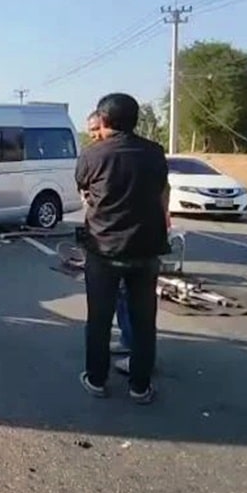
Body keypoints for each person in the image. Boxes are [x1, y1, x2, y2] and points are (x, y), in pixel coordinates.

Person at [75, 93, 169, 404]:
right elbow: (162, 194)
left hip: (104, 250)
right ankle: (140, 387)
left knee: (99, 321)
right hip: (146, 250)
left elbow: (85, 194)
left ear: (103, 120)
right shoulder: (155, 153)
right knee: (144, 322)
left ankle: (96, 380)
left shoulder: (93, 155)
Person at [84, 111, 133, 360]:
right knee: (122, 299)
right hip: (115, 240)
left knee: (114, 303)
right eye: (91, 131)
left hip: (112, 242)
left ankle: (98, 374)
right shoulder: (97, 154)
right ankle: (128, 344)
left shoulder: (101, 155)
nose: (94, 135)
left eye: (97, 129)